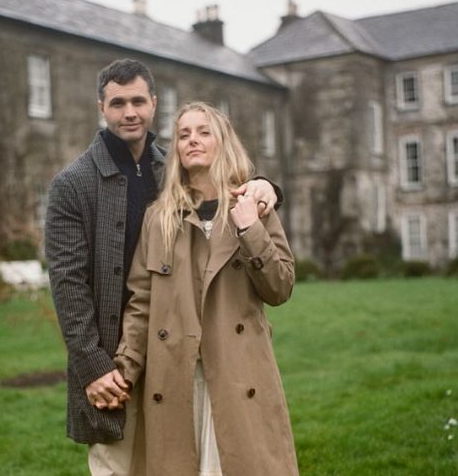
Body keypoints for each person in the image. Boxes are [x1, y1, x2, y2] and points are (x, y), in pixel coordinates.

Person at [44, 60, 281, 475]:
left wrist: (267, 186)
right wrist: (94, 368)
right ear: (101, 107)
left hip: (176, 354)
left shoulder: (169, 170)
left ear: (154, 104)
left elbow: (220, 182)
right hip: (113, 363)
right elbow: (68, 286)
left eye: (138, 101)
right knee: (117, 468)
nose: (129, 112)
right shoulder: (73, 184)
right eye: (118, 103)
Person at [112, 102, 299, 475]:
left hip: (239, 372)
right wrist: (125, 367)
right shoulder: (159, 218)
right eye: (184, 135)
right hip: (175, 376)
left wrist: (250, 229)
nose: (192, 140)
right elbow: (141, 303)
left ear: (222, 142)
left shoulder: (253, 206)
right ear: (177, 150)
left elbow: (280, 288)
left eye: (203, 132)